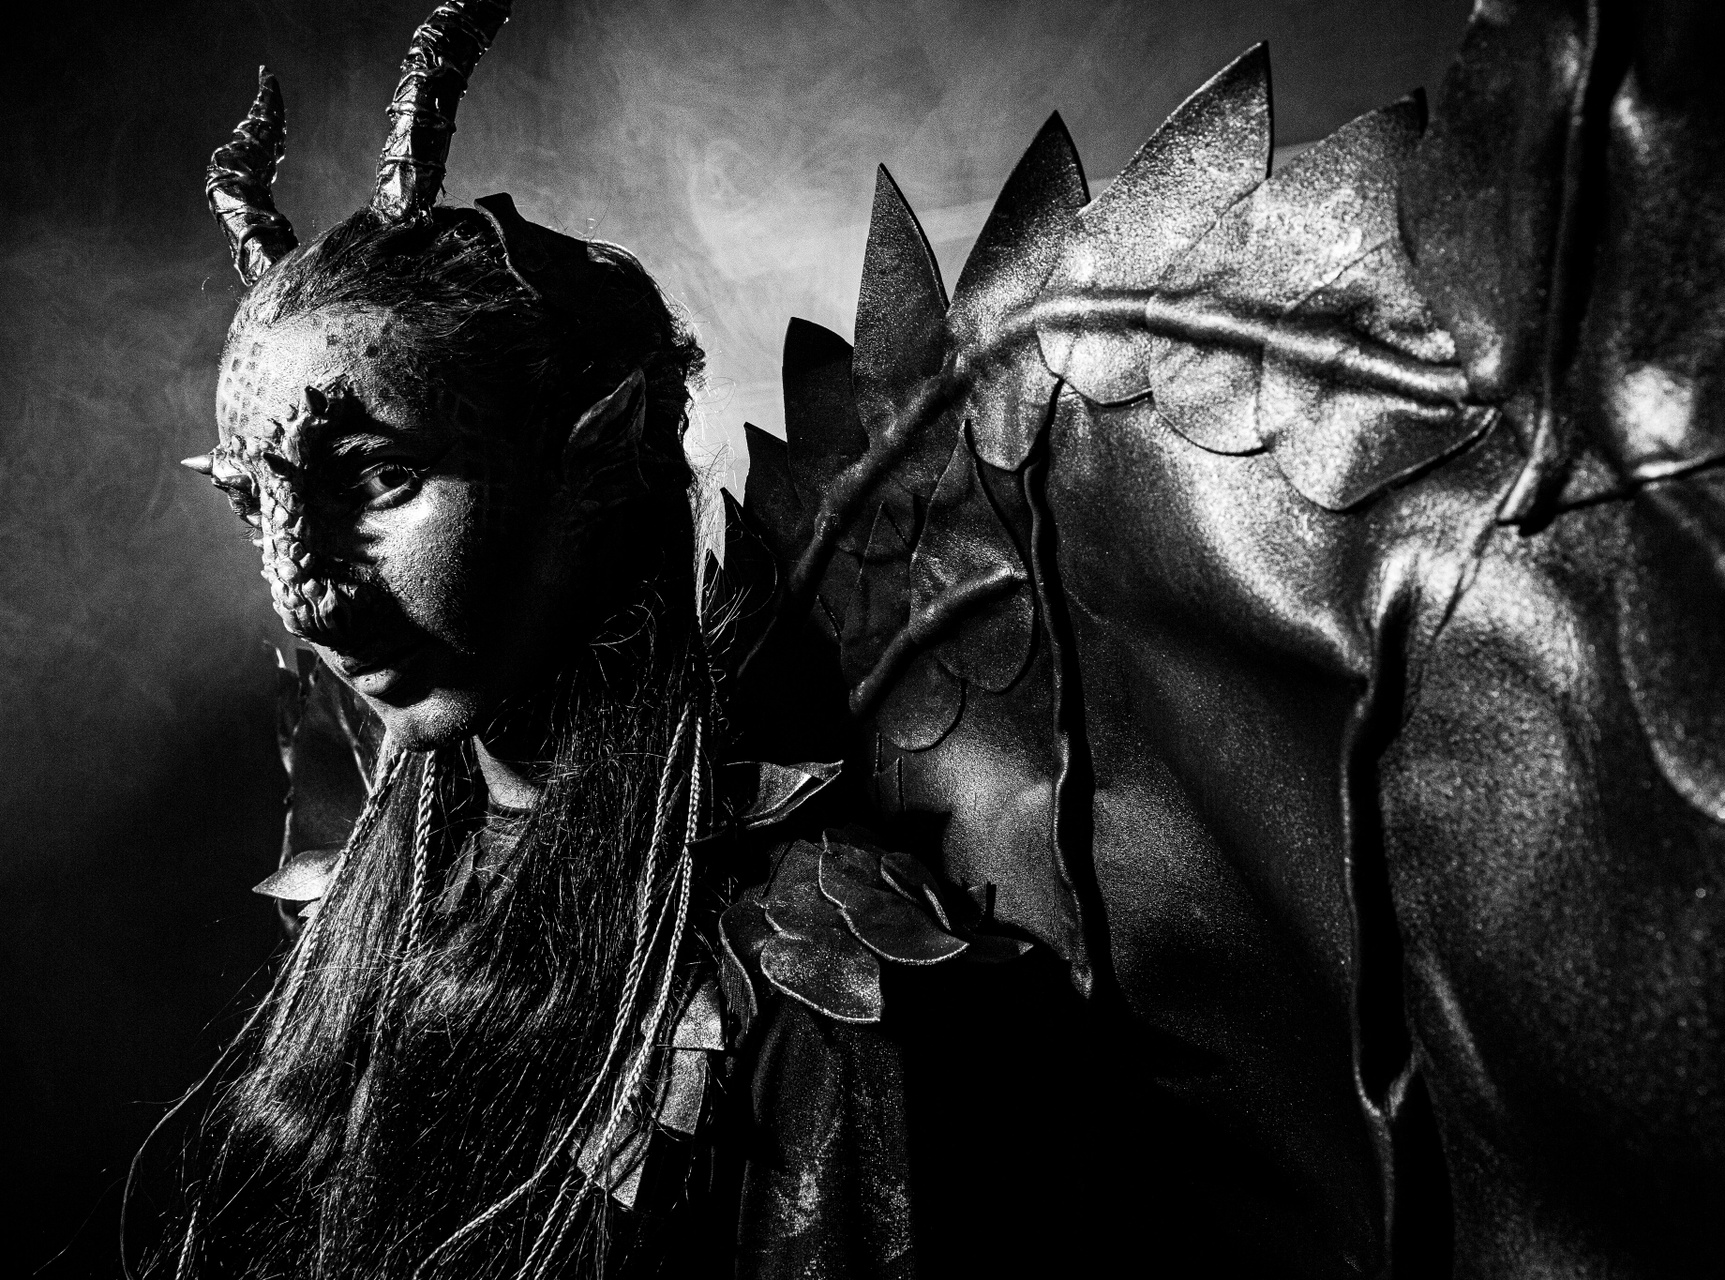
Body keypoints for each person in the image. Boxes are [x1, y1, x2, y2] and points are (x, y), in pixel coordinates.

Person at [161, 3, 1056, 1277]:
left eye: (380, 476)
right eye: (258, 502)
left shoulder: (806, 986)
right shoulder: (374, 910)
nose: (309, 601)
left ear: (601, 450)